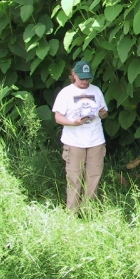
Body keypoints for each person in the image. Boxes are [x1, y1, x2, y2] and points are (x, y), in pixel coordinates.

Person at [52, 60, 109, 211]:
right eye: (82, 78)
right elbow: (58, 117)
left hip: (95, 140)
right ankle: (72, 214)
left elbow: (104, 113)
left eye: (87, 78)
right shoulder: (66, 93)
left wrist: (103, 114)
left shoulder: (96, 90)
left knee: (93, 178)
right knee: (74, 179)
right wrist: (73, 123)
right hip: (74, 142)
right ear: (74, 75)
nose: (85, 81)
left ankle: (88, 212)